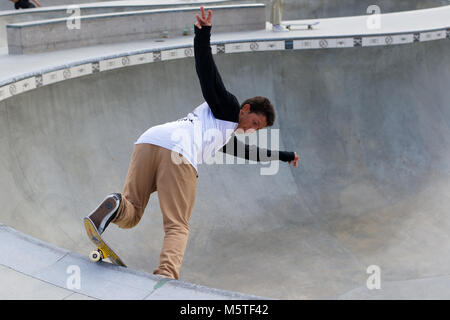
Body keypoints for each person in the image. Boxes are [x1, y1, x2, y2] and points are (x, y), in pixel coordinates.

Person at [86, 7, 299, 280]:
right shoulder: (228, 107)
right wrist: (203, 34)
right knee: (178, 226)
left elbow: (249, 153)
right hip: (179, 154)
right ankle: (166, 275)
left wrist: (285, 155)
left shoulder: (219, 131)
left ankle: (114, 204)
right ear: (246, 109)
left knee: (132, 211)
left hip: (149, 141)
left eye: (258, 129)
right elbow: (207, 73)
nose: (252, 129)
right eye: (255, 123)